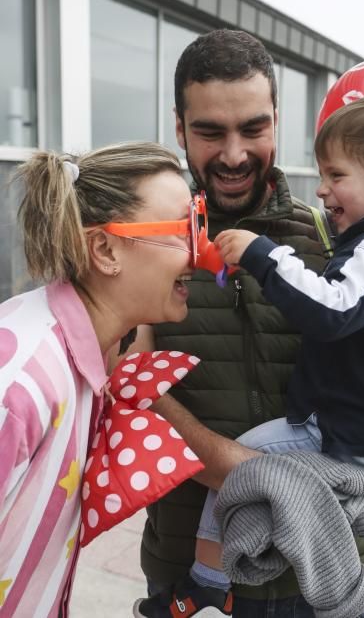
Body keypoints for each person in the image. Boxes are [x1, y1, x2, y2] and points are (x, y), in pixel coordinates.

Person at [136, 29, 364, 618]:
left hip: (351, 571)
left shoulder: (349, 234)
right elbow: (129, 390)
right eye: (209, 131)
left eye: (252, 128)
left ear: (276, 119)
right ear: (179, 128)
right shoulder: (145, 245)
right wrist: (246, 469)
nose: (232, 153)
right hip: (207, 593)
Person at [0, 142, 213, 617]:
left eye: (199, 223)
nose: (203, 250)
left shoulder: (84, 365)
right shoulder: (22, 385)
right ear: (105, 249)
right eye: (185, 230)